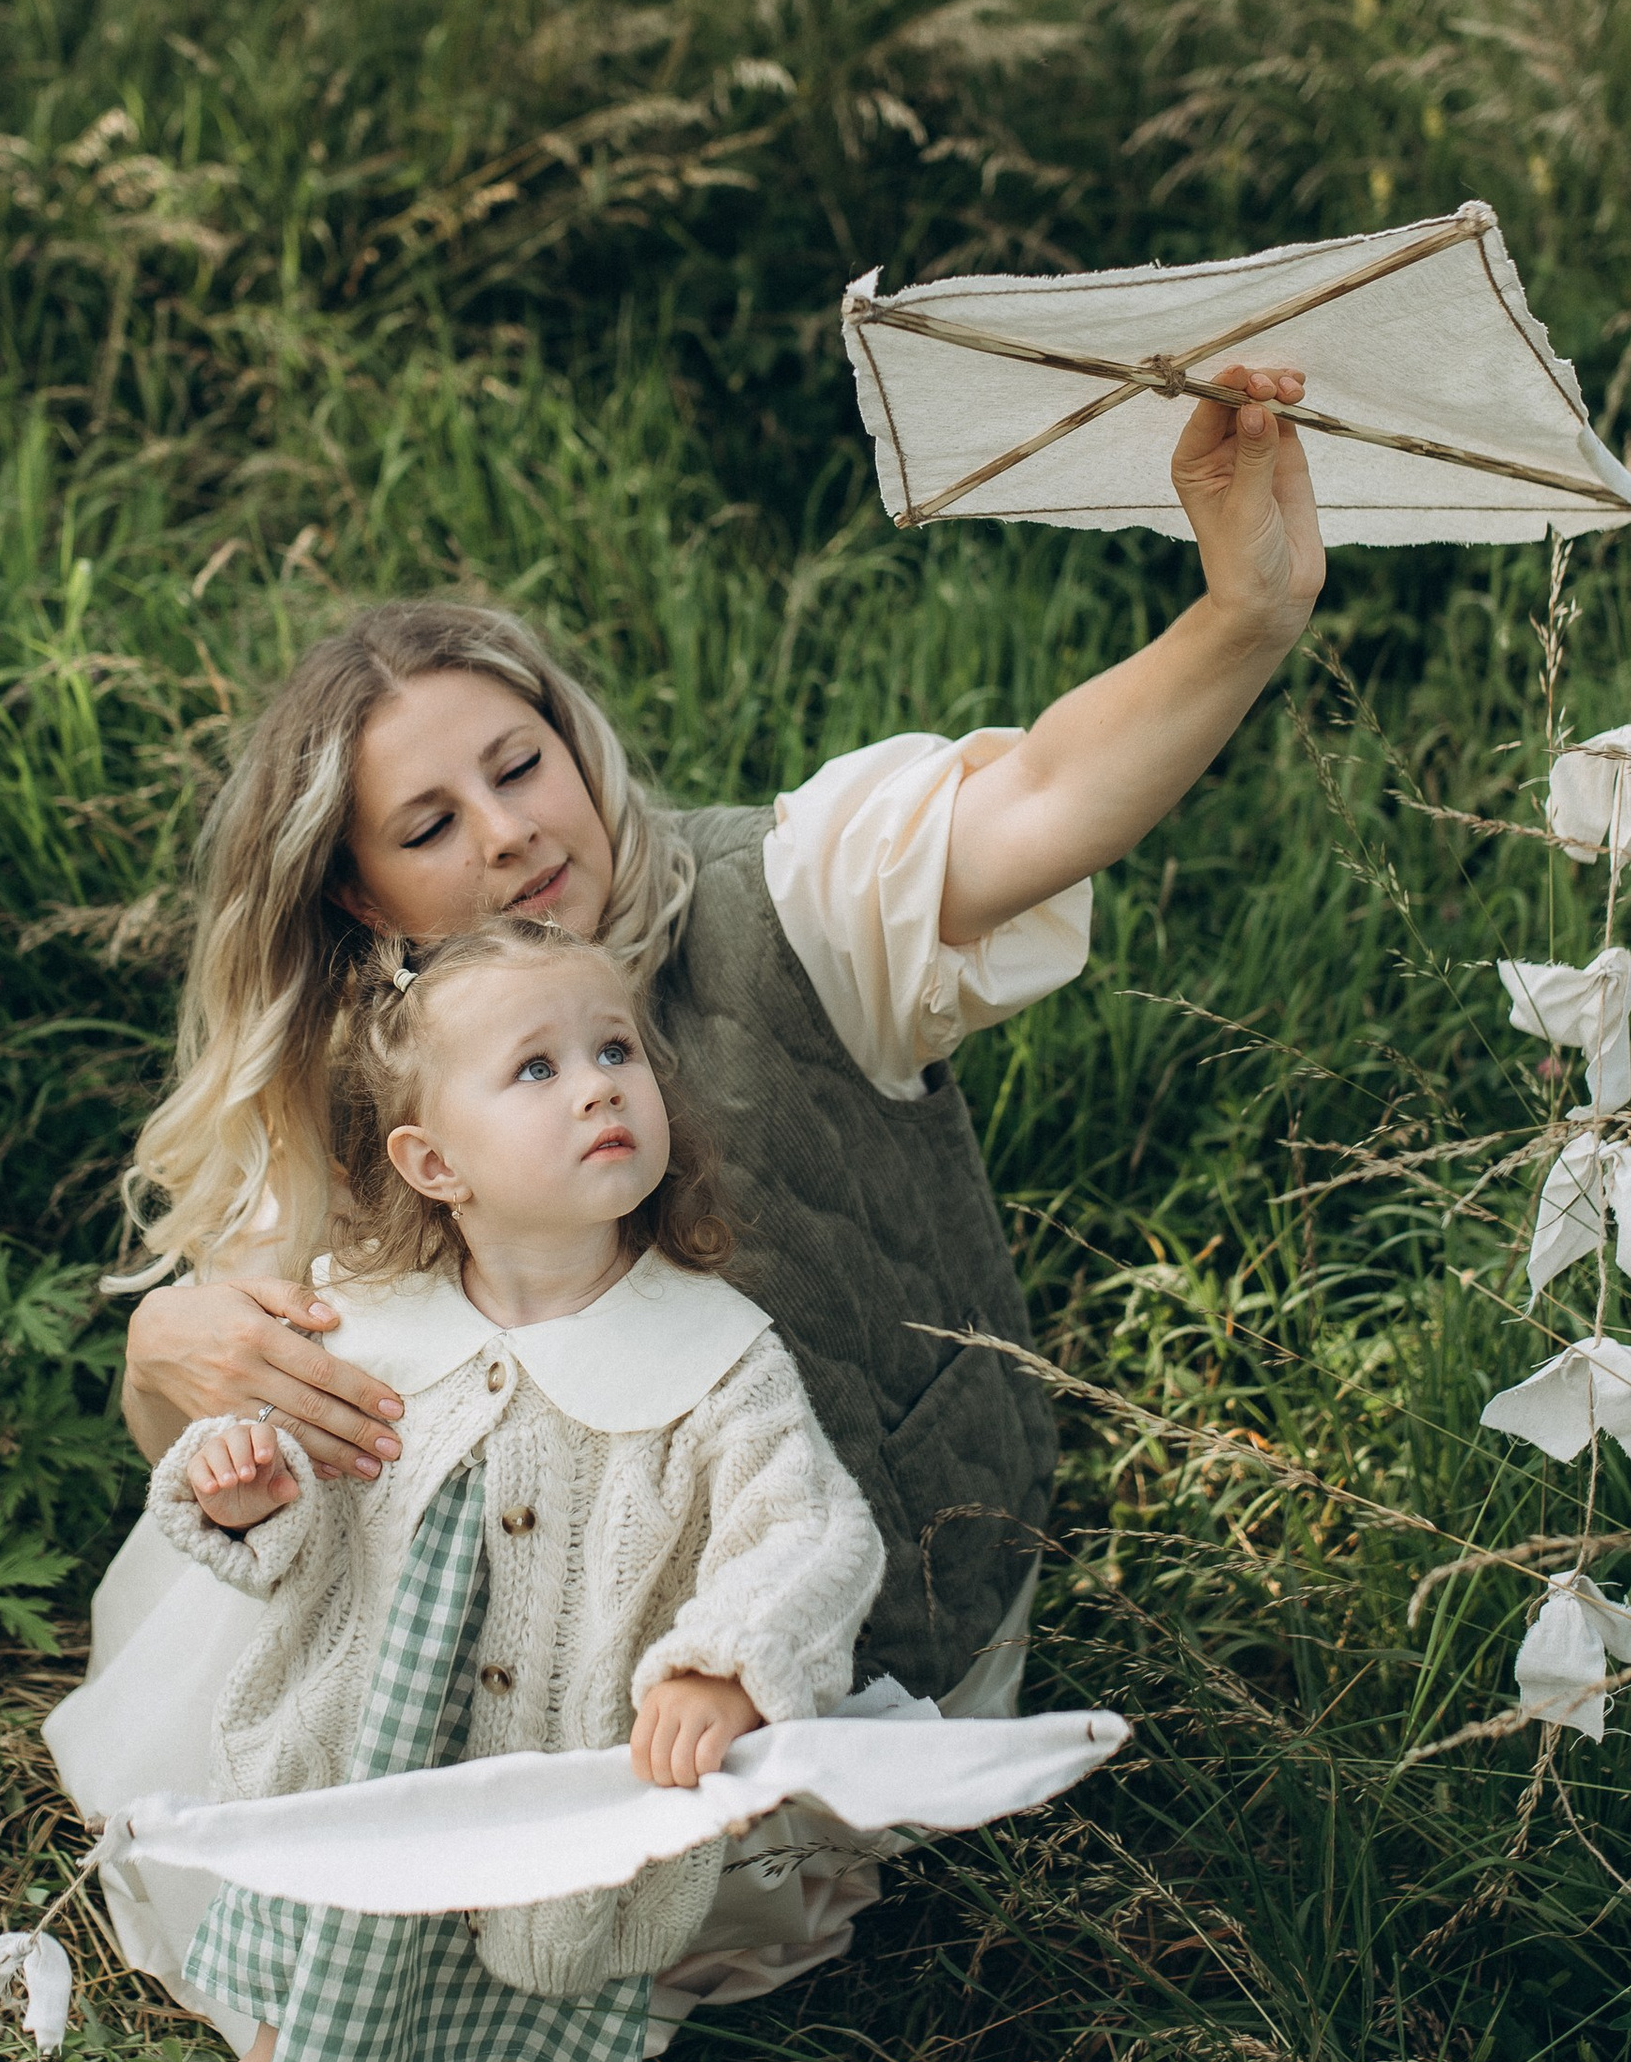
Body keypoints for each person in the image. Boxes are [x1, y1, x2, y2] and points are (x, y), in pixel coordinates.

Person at [106, 366, 1318, 1716]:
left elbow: (1041, 792)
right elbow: (228, 1428)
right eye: (430, 826)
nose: (506, 832)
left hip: (872, 1633)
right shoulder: (348, 1085)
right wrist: (168, 1353)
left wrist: (1243, 617)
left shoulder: (788, 901)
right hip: (512, 1678)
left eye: (518, 767)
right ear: (356, 893)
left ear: (575, 750)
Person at [123, 916, 883, 2062]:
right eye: (534, 1068)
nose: (597, 1087)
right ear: (434, 1159)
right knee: (287, 2055)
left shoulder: (715, 1356)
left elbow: (804, 1529)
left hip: (554, 1821)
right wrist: (257, 1491)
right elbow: (291, 1546)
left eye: (615, 1052)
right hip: (369, 1787)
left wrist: (726, 1656)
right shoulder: (372, 1327)